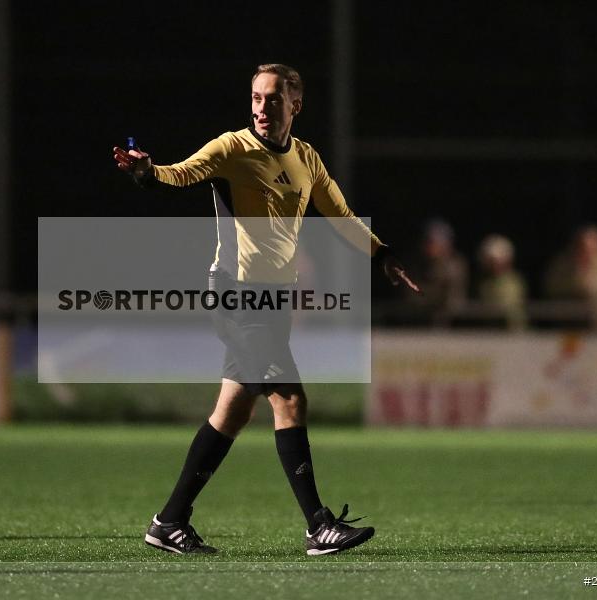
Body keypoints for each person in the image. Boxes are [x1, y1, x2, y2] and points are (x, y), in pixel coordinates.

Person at [112, 64, 420, 556]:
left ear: (295, 105)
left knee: (231, 412)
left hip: (273, 303)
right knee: (290, 399)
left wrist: (382, 254)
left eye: (273, 99)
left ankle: (169, 522)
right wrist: (147, 172)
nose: (261, 107)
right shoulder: (233, 148)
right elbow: (178, 174)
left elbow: (339, 215)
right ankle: (318, 526)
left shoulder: (307, 159)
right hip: (237, 295)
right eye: (256, 97)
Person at [544, 225, 597, 330]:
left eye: (593, 246)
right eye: (583, 246)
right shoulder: (562, 264)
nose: (588, 251)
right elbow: (552, 289)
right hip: (568, 323)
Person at [403, 219, 468, 327]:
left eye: (434, 242)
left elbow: (453, 302)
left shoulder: (456, 266)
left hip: (450, 325)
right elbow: (412, 298)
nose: (430, 247)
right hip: (418, 322)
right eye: (428, 241)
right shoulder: (415, 266)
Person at [476, 234, 528, 330]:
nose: (494, 264)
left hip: (513, 332)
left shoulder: (513, 281)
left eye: (496, 260)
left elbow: (509, 310)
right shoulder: (485, 283)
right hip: (490, 332)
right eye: (490, 261)